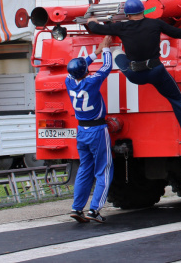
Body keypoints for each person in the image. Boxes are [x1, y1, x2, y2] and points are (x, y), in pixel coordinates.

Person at [86, 0, 181, 145]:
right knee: (177, 100)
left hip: (134, 74)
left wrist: (91, 20)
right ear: (143, 11)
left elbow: (96, 28)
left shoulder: (122, 27)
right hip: (157, 72)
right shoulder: (156, 23)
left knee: (117, 51)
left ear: (128, 15)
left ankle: (116, 54)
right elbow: (178, 34)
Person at [66, 35, 114, 223]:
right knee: (104, 169)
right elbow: (106, 67)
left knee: (85, 168)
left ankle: (77, 208)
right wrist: (107, 49)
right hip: (97, 130)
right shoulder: (92, 81)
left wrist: (95, 52)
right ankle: (95, 210)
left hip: (82, 131)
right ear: (86, 71)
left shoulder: (69, 81)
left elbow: (79, 67)